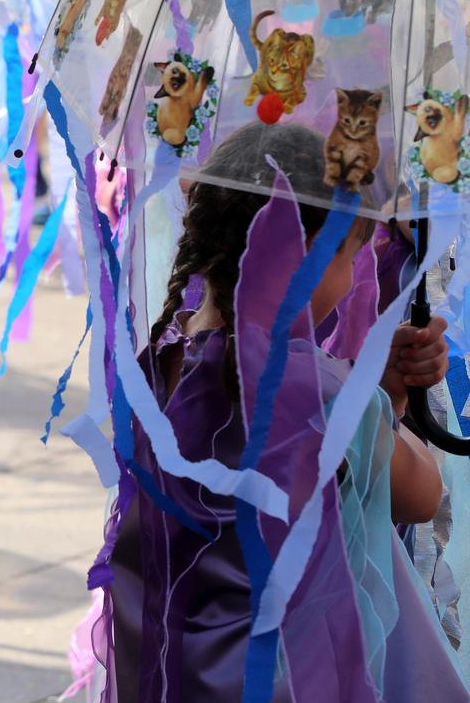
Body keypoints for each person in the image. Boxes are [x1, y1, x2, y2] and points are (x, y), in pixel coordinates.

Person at [108, 123, 466, 700]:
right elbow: (420, 494)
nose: (352, 280)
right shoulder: (320, 390)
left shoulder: (161, 361)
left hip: (180, 666)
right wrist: (380, 400)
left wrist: (374, 392)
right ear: (306, 257)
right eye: (349, 257)